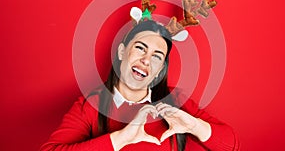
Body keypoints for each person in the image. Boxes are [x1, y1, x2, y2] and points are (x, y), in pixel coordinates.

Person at [40, 20, 240, 151]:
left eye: (156, 57)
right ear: (121, 52)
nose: (146, 60)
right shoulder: (91, 105)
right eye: (140, 48)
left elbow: (231, 146)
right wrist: (122, 138)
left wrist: (194, 126)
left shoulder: (175, 101)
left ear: (160, 69)